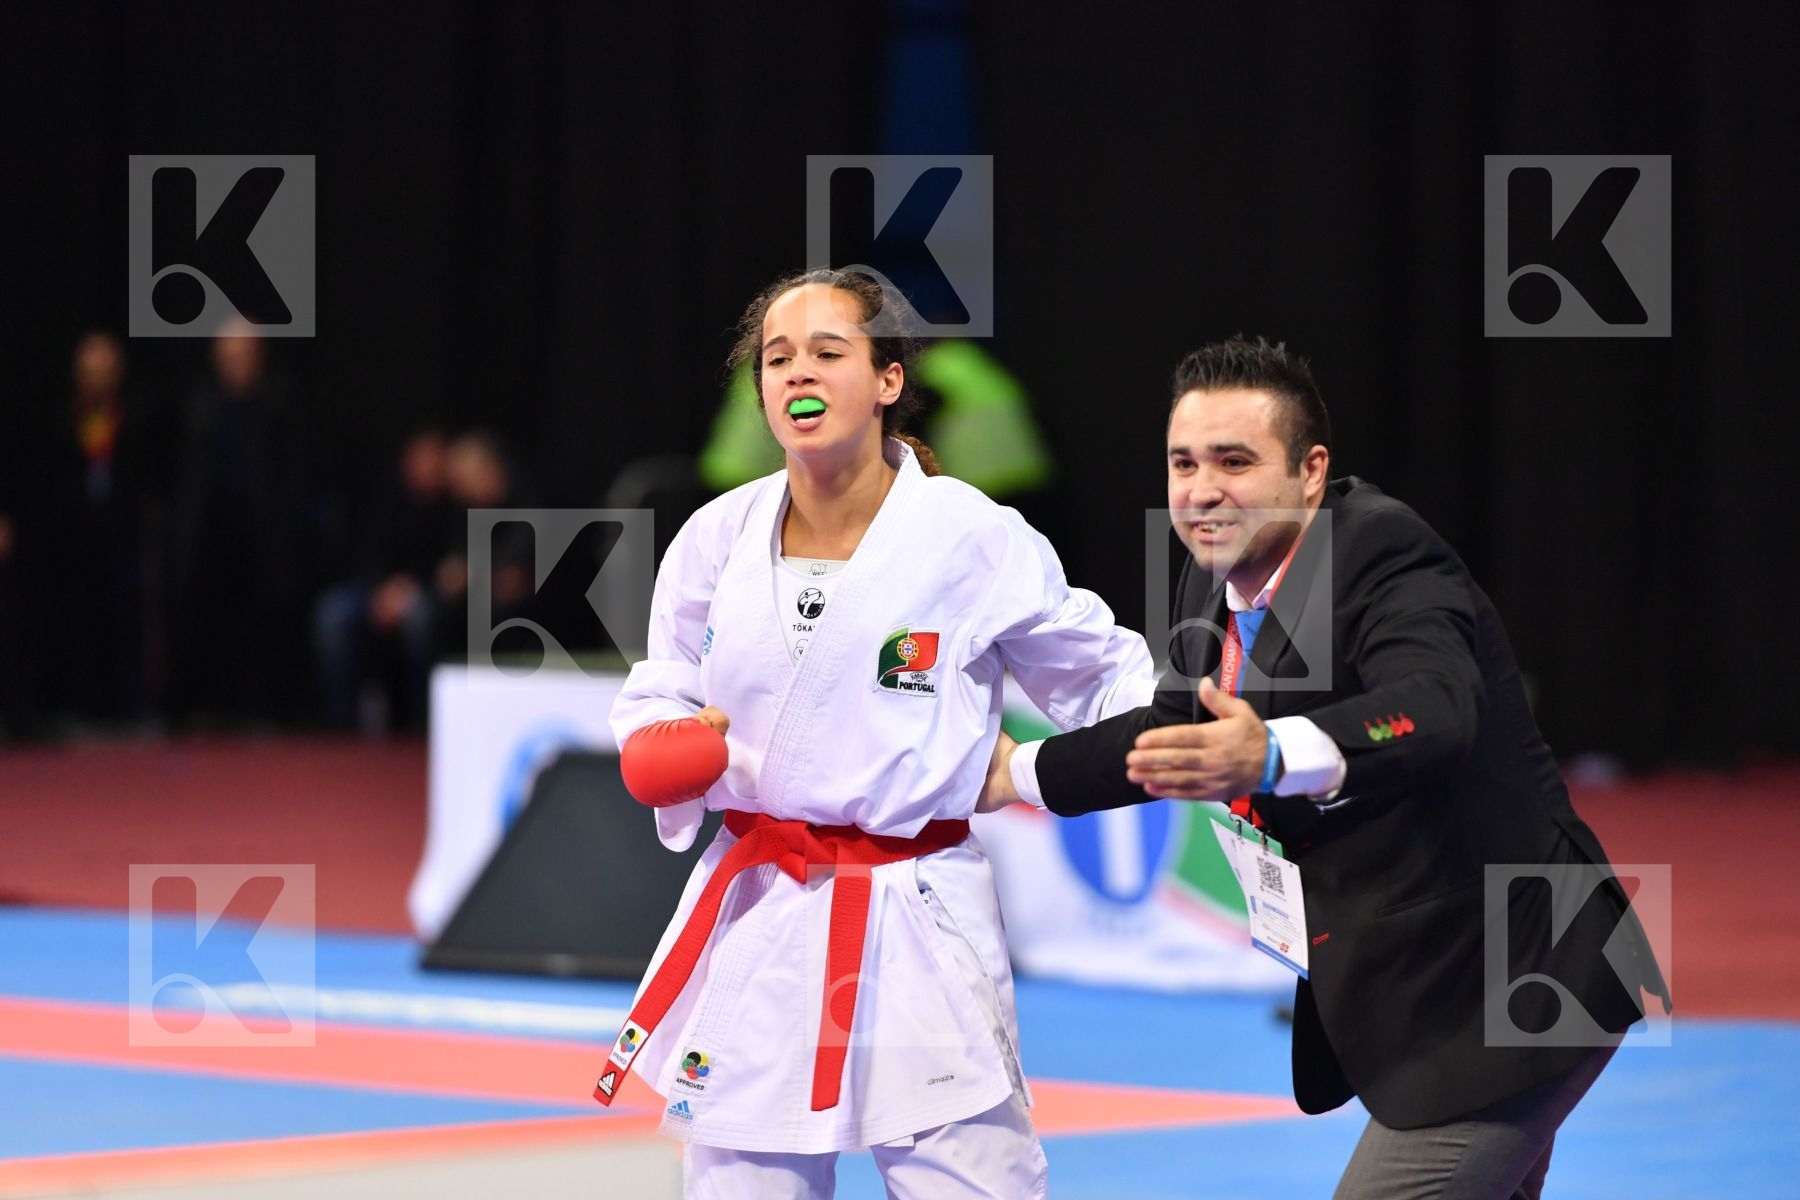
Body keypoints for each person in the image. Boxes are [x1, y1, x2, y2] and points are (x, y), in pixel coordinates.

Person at [980, 337, 1670, 1200]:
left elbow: (1437, 704)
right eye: (1183, 463)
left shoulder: (1383, 555)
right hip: (1426, 991)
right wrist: (1020, 773)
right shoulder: (1216, 577)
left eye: (1235, 461)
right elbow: (1172, 729)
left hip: (1517, 987)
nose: (1201, 491)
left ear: (1310, 472)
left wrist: (1271, 749)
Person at [599, 268, 1154, 1199]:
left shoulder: (969, 535)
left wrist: (1135, 744)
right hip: (762, 906)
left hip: (916, 909)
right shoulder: (715, 536)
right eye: (777, 358)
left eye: (827, 353)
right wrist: (659, 746)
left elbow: (1101, 670)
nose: (797, 375)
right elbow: (661, 687)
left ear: (889, 381)